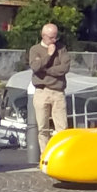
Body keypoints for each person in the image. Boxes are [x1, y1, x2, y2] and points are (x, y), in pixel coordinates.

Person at [29, 23, 72, 156]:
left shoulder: (62, 49)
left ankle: (61, 155)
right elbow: (35, 67)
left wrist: (46, 70)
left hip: (58, 92)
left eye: (56, 37)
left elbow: (64, 68)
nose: (54, 40)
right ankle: (45, 155)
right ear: (43, 36)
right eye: (51, 38)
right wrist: (48, 55)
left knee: (62, 128)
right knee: (43, 128)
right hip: (42, 92)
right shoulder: (35, 49)